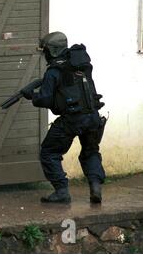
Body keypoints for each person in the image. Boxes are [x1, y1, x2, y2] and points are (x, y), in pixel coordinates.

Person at [22, 32, 106, 204]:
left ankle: (61, 191)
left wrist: (32, 96)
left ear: (51, 50)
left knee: (49, 152)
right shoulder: (82, 65)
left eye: (45, 50)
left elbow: (45, 99)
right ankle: (95, 187)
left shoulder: (54, 71)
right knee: (90, 152)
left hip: (72, 120)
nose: (44, 53)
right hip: (92, 117)